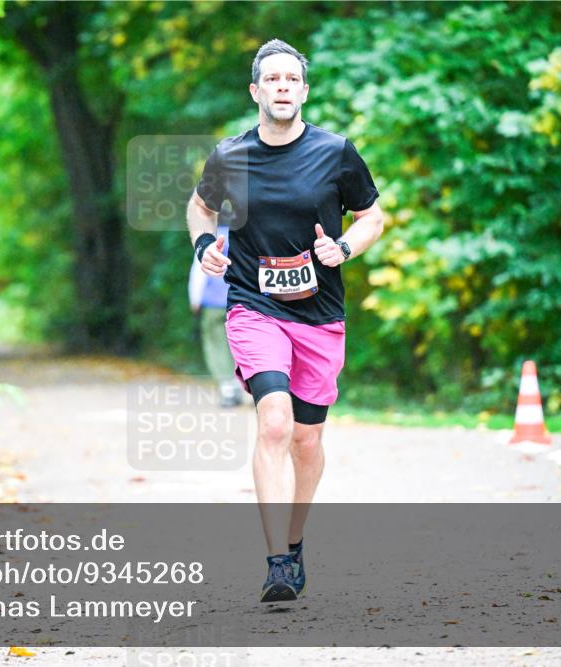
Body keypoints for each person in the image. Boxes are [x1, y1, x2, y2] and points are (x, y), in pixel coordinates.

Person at [186, 39, 385, 602]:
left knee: (306, 437)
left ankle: (294, 542)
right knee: (273, 421)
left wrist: (343, 248)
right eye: (270, 80)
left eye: (290, 80)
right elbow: (200, 206)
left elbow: (373, 216)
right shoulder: (230, 155)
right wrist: (204, 244)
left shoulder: (336, 153)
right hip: (254, 304)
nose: (280, 87)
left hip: (320, 314)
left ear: (303, 91)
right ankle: (277, 562)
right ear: (255, 91)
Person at [188, 222, 243, 407]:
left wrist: (195, 297)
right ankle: (240, 383)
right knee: (240, 343)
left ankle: (227, 387)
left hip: (213, 302)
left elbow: (199, 269)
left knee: (215, 343)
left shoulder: (209, 238)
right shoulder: (245, 234)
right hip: (240, 299)